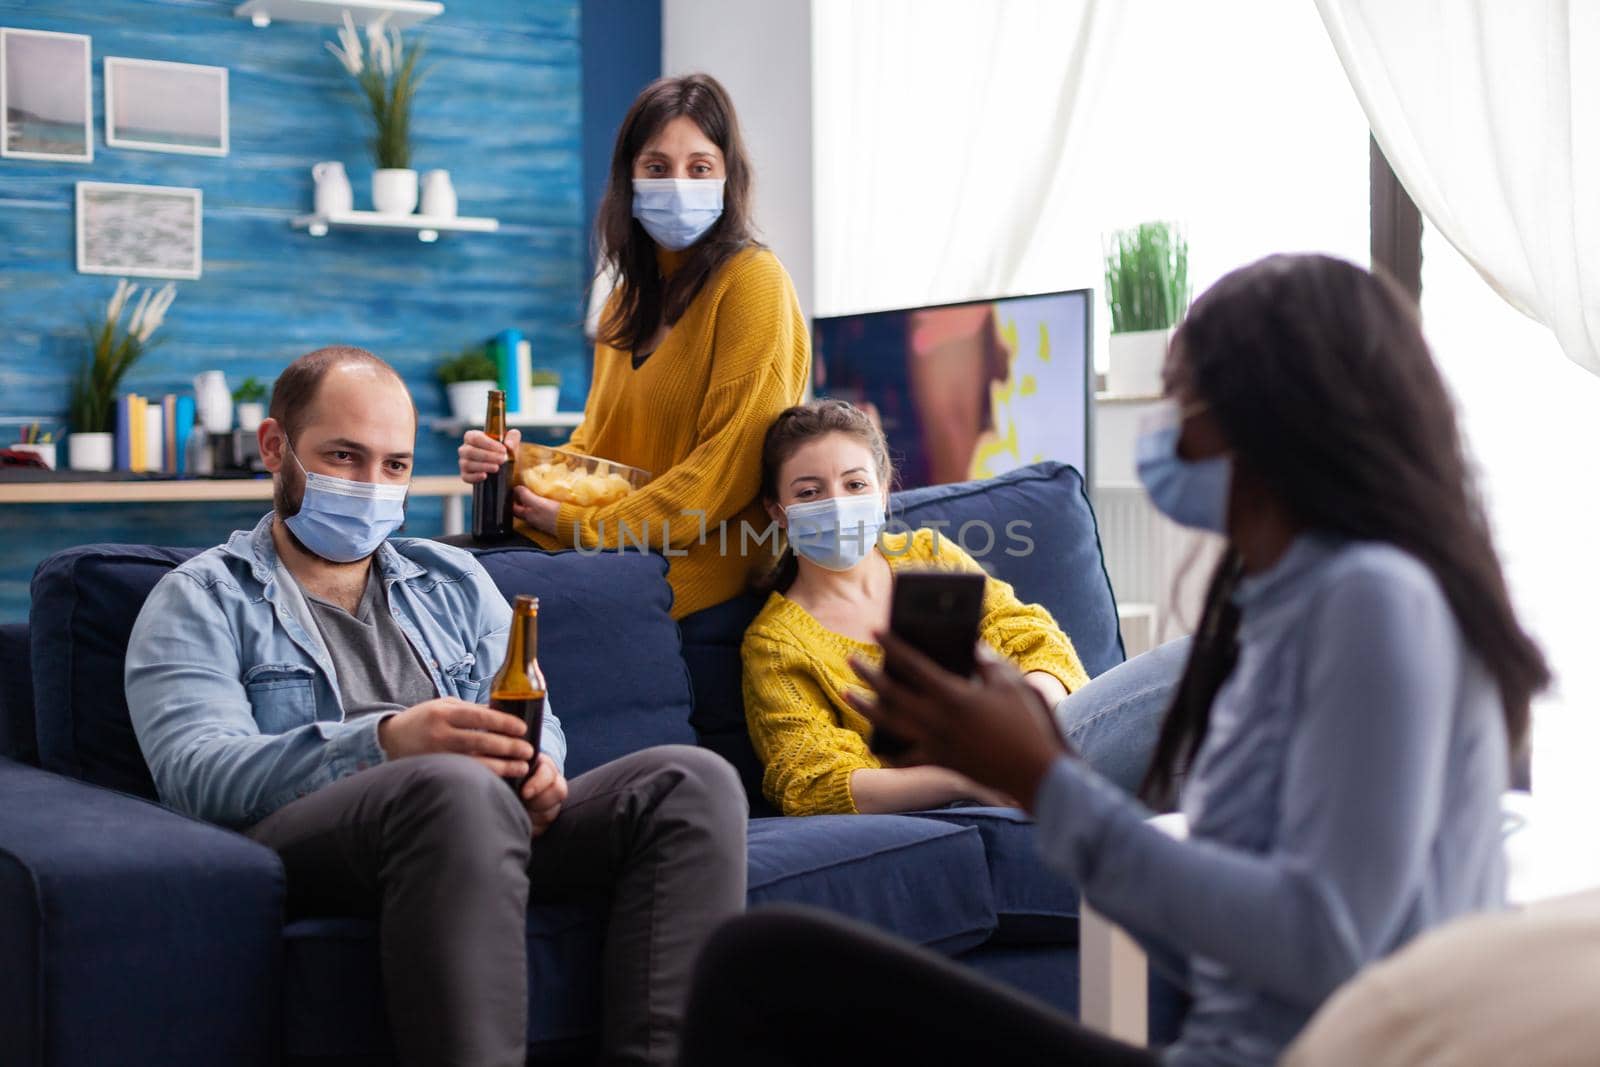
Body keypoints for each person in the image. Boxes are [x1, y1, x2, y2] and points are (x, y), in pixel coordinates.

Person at [680, 254, 1550, 1066]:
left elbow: (1323, 940)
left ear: (1275, 415)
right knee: (765, 956)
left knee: (758, 962)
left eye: (1183, 403)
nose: (1159, 432)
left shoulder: (1371, 601)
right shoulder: (1295, 603)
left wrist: (1041, 773)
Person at [125, 346, 747, 1067]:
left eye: (394, 465)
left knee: (689, 781)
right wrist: (386, 741)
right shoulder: (200, 596)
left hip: (476, 826)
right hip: (307, 836)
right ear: (276, 447)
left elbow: (533, 713)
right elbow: (195, 773)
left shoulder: (454, 579)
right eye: (343, 456)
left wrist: (539, 767)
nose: (371, 484)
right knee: (450, 785)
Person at [458, 73, 809, 619]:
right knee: (431, 573)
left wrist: (582, 526)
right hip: (616, 544)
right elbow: (596, 449)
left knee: (471, 597)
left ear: (727, 176)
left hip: (700, 556)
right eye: (656, 167)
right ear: (629, 178)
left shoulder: (753, 283)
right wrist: (512, 465)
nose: (677, 184)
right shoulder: (625, 299)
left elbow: (724, 471)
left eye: (699, 167)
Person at [743, 398, 1164, 817]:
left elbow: (1031, 637)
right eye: (810, 492)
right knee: (1182, 686)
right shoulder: (777, 645)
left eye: (855, 485)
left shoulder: (927, 555)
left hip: (1039, 738)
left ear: (883, 490)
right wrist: (970, 777)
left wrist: (1026, 719)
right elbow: (811, 781)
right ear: (778, 511)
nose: (836, 504)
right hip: (959, 791)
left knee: (1188, 689)